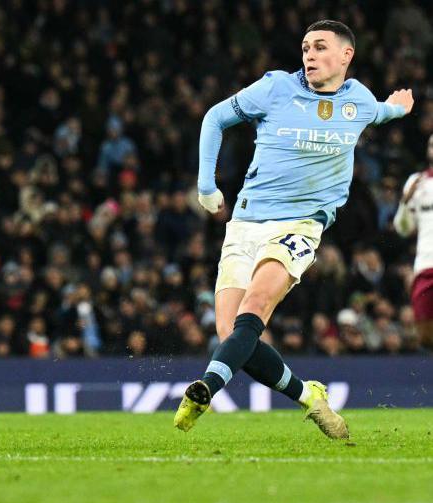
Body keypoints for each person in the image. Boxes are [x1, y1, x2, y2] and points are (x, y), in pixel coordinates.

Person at [175, 20, 413, 438]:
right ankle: (309, 396)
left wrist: (400, 107)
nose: (309, 55)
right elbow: (214, 118)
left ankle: (205, 388)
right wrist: (206, 185)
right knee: (231, 334)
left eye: (320, 47)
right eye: (305, 47)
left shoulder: (357, 100)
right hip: (246, 222)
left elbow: (381, 111)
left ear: (346, 55)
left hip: (301, 226)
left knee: (257, 306)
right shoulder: (276, 88)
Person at [394, 134, 433, 349]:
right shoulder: (416, 183)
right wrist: (404, 202)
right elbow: (403, 228)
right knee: (426, 337)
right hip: (425, 265)